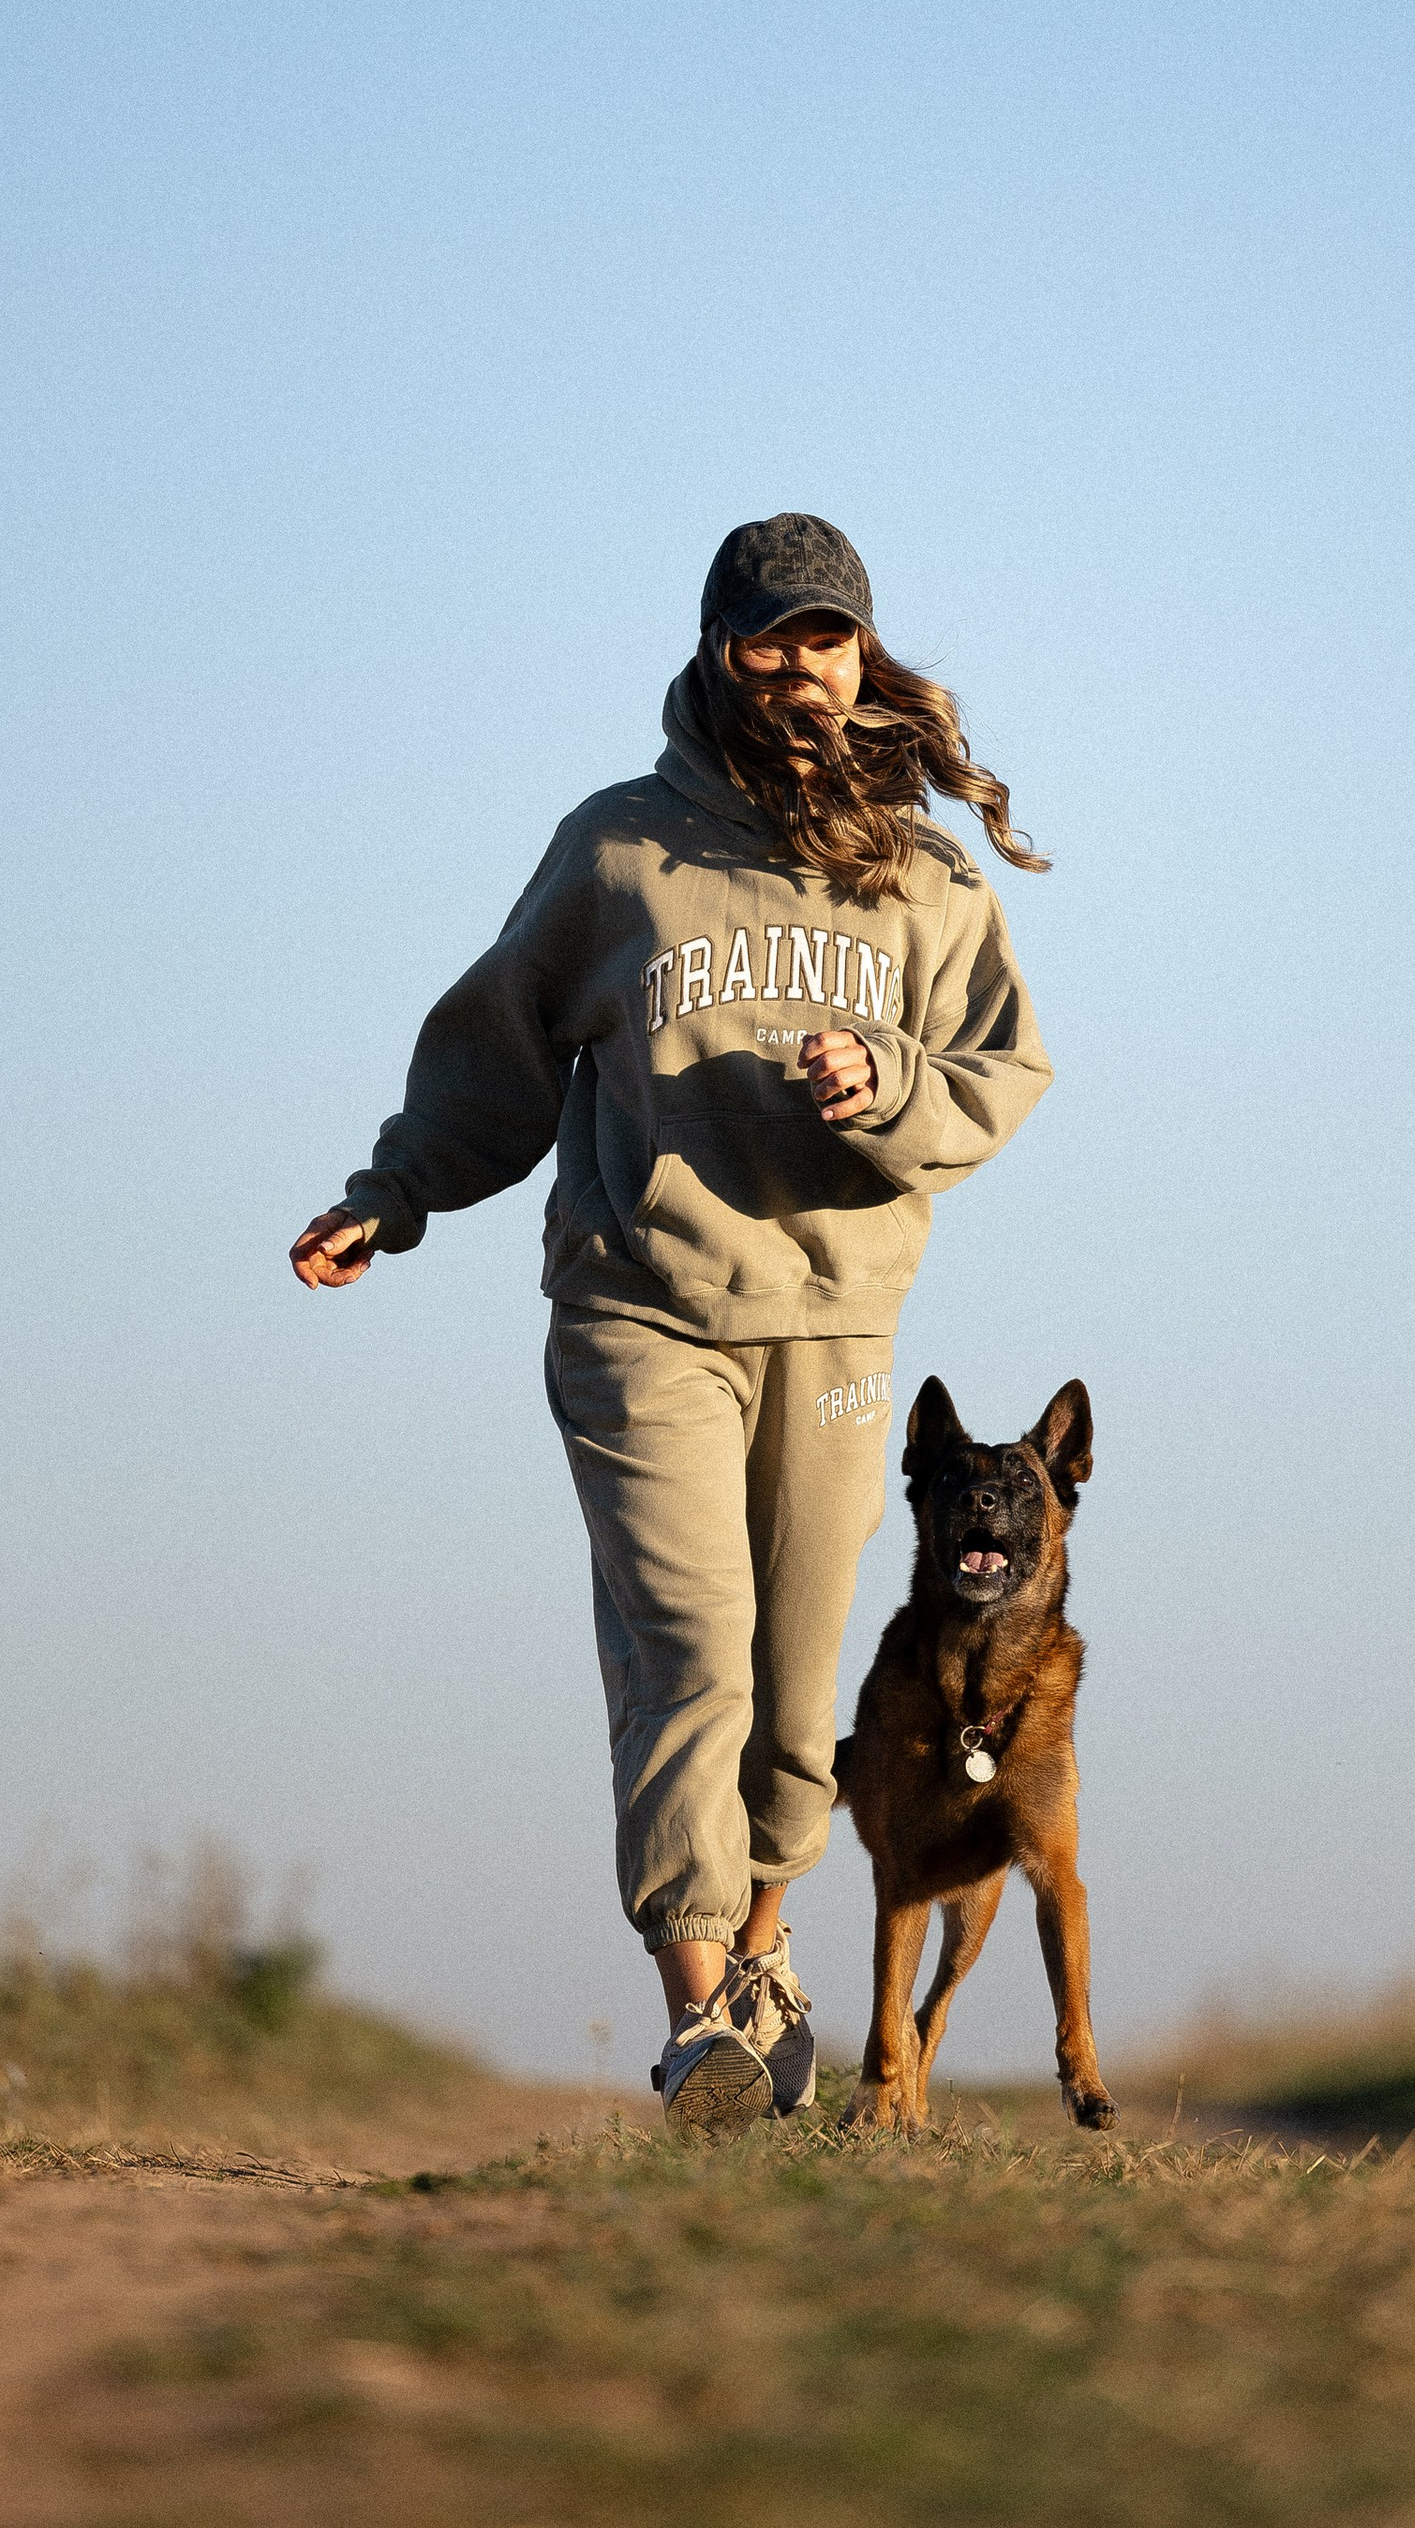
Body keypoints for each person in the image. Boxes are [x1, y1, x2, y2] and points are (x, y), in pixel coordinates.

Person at [290, 512, 1053, 2130]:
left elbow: (1001, 1076)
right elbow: (497, 1041)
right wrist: (397, 1189)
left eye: (826, 638)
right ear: (720, 650)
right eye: (768, 636)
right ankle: (702, 2016)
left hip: (837, 1325)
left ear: (863, 656)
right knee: (688, 1654)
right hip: (642, 1312)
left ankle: (770, 1962)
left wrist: (890, 1085)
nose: (798, 666)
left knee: (796, 1691)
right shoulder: (623, 848)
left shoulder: (920, 872)